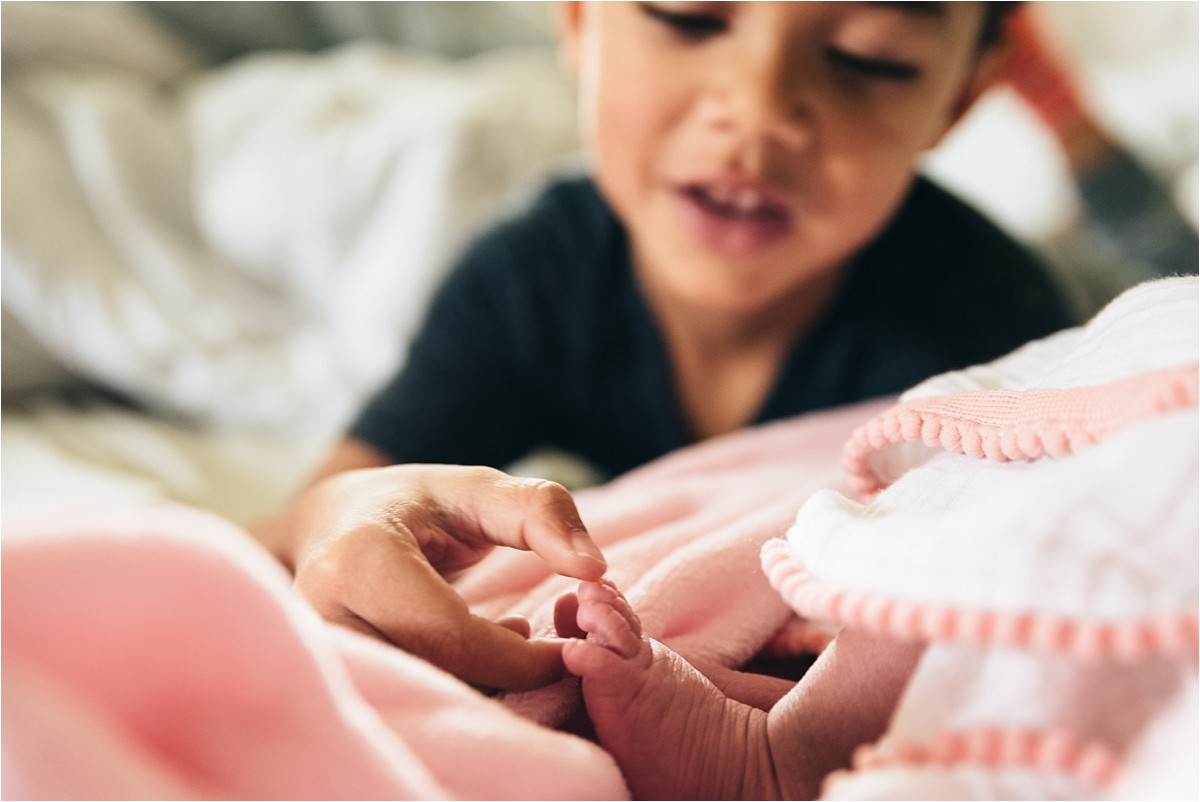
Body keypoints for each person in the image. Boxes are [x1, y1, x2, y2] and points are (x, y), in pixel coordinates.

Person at [256, 1, 1077, 692]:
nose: (757, 107)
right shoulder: (537, 280)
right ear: (578, 18)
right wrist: (339, 520)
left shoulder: (995, 332)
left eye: (872, 58)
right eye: (686, 15)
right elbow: (314, 517)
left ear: (960, 98)